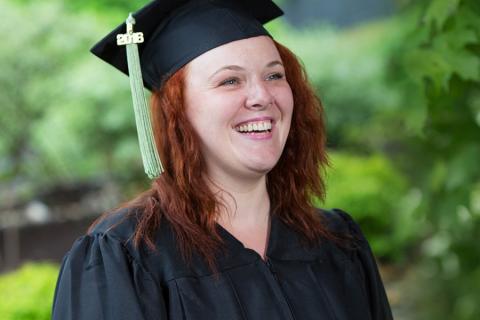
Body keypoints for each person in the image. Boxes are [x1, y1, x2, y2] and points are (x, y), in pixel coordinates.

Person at [52, 0, 393, 319]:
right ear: (177, 112)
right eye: (230, 81)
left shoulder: (337, 243)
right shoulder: (126, 257)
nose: (261, 97)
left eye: (274, 75)